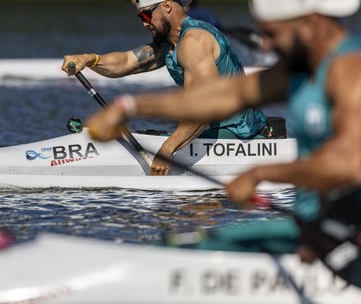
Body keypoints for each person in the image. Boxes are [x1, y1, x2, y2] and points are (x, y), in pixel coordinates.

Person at [86, 0, 361, 286]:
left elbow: (348, 164)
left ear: (310, 25)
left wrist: (259, 173)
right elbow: (222, 97)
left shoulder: (351, 71)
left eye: (272, 34)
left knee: (190, 251)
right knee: (185, 243)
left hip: (349, 232)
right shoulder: (303, 67)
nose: (265, 45)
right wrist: (130, 107)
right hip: (315, 226)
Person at [62, 0, 267, 176]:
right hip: (209, 131)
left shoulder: (194, 42)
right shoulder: (170, 44)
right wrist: (90, 59)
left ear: (167, 6)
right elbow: (125, 62)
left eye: (146, 14)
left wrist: (167, 149)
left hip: (238, 134)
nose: (144, 22)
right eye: (140, 16)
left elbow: (203, 109)